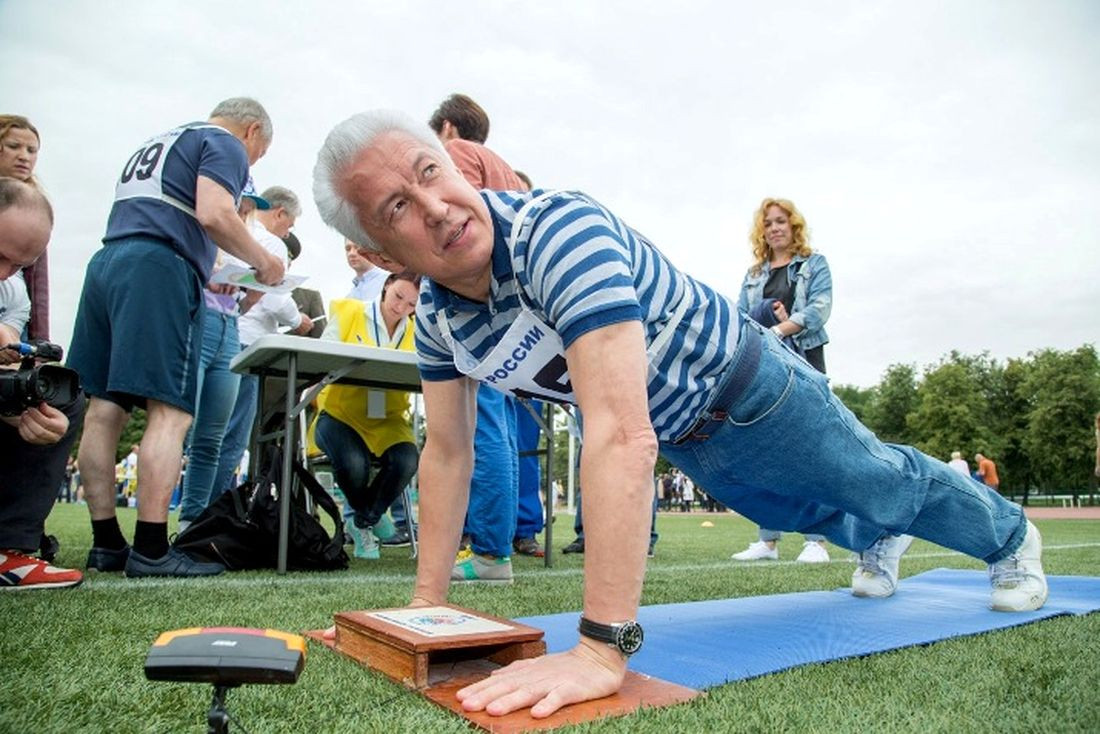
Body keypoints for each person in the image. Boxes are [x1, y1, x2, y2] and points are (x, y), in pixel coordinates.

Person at [312, 110, 1047, 718]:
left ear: (454, 163)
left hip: (753, 390)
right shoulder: (439, 319)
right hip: (688, 436)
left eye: (429, 171)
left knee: (878, 480)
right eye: (398, 208)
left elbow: (620, 433)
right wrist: (427, 608)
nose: (436, 207)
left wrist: (602, 646)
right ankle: (877, 540)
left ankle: (1010, 536)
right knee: (799, 513)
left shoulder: (554, 232)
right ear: (378, 253)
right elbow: (445, 453)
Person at [69, 97, 285, 578]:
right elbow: (214, 213)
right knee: (171, 413)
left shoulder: (163, 141)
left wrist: (214, 270)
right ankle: (151, 547)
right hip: (157, 268)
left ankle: (107, 543)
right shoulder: (223, 143)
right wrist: (263, 262)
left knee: (104, 410)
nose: (247, 169)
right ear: (251, 132)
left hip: (110, 262)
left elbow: (173, 217)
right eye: (257, 157)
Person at [428, 93, 527, 583]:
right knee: (499, 431)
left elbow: (449, 222)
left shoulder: (459, 153)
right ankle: (494, 548)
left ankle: (490, 553)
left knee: (477, 427)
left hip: (483, 308)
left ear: (446, 128)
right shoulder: (503, 165)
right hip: (518, 313)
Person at [730, 198, 832, 564]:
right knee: (762, 449)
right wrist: (766, 332)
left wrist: (779, 329)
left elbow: (818, 311)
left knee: (809, 450)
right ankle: (767, 540)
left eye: (781, 222)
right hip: (765, 363)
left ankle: (816, 540)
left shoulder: (813, 264)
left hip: (804, 359)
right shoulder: (754, 274)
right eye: (768, 223)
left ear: (794, 227)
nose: (774, 228)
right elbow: (741, 318)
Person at [0, 178, 83, 589]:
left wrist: (21, 412)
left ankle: (7, 548)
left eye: (17, 265)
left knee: (59, 400)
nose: (4, 272)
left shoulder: (13, 290)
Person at [175, 180, 271, 531]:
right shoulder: (199, 228)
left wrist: (254, 295)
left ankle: (193, 520)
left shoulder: (244, 243)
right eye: (242, 204)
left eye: (249, 207)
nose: (246, 211)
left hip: (229, 326)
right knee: (176, 424)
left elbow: (240, 303)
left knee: (212, 436)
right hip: (195, 322)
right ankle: (157, 523)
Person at [209, 186, 312, 502]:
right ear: (280, 213)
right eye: (290, 224)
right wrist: (299, 321)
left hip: (220, 336)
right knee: (235, 436)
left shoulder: (234, 236)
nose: (287, 231)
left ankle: (197, 507)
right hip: (250, 345)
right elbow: (274, 299)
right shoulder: (273, 246)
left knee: (209, 433)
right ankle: (216, 508)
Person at [310, 273, 421, 559]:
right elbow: (320, 358)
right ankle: (371, 517)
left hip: (388, 419)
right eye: (398, 296)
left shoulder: (417, 332)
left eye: (411, 304)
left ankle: (362, 521)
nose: (401, 308)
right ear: (386, 286)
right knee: (354, 463)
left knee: (407, 459)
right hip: (339, 413)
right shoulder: (350, 312)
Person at [0, 115, 49, 342]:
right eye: (13, 146)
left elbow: (38, 286)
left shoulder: (36, 211)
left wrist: (40, 341)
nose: (24, 156)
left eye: (32, 150)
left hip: (11, 314)